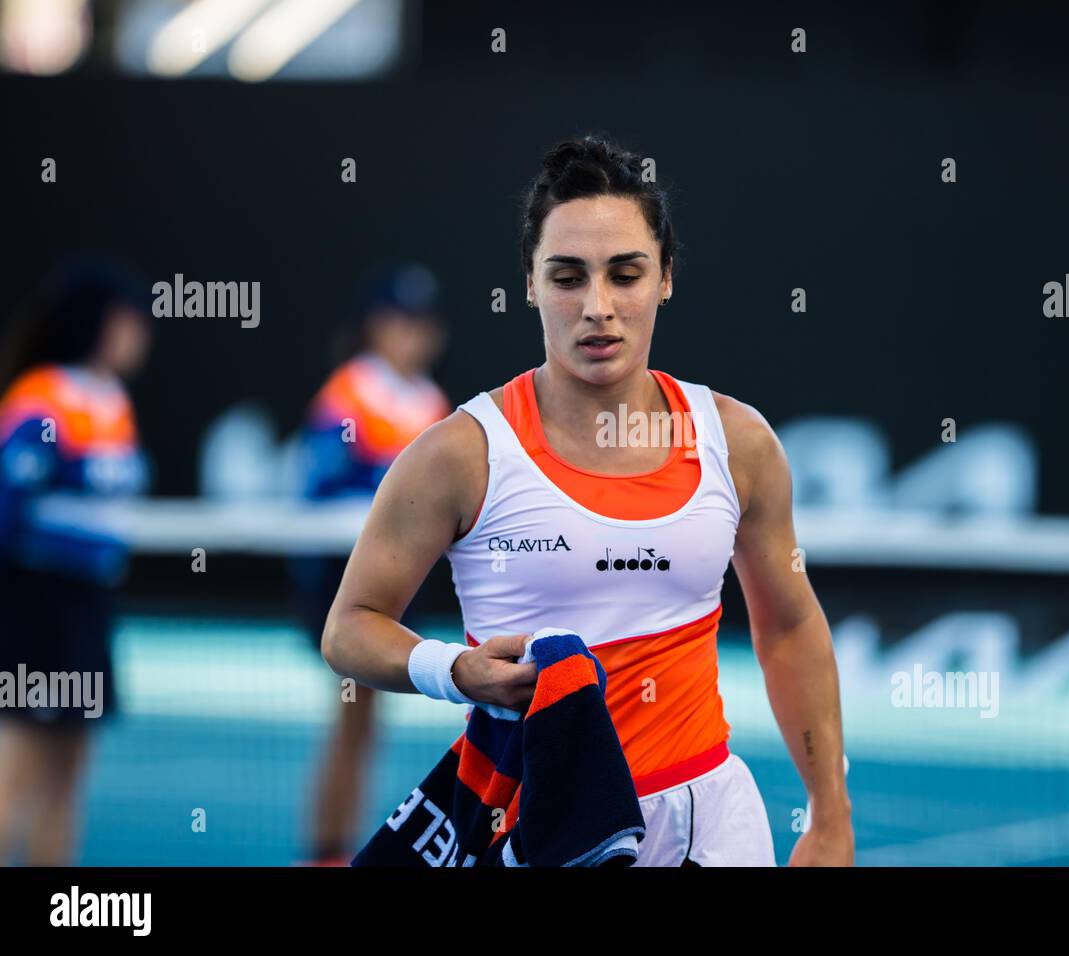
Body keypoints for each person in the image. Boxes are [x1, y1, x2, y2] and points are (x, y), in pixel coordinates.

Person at [322, 135, 854, 865]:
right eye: (568, 276)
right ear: (531, 283)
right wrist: (451, 672)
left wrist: (829, 812)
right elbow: (350, 626)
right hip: (538, 831)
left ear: (666, 277)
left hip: (715, 823)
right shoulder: (460, 454)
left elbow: (790, 628)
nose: (598, 307)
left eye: (625, 274)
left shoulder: (738, 442)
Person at [290, 265, 452, 864]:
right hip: (350, 586)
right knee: (350, 721)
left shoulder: (432, 402)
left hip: (402, 589)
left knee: (364, 725)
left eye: (422, 324)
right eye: (399, 321)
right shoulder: (351, 393)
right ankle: (324, 850)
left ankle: (334, 848)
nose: (411, 334)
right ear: (376, 327)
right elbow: (319, 492)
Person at [0, 259, 153, 865]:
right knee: (21, 764)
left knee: (71, 767)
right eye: (128, 321)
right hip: (38, 604)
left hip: (91, 603)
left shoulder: (113, 402)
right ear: (98, 323)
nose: (140, 334)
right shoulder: (40, 400)